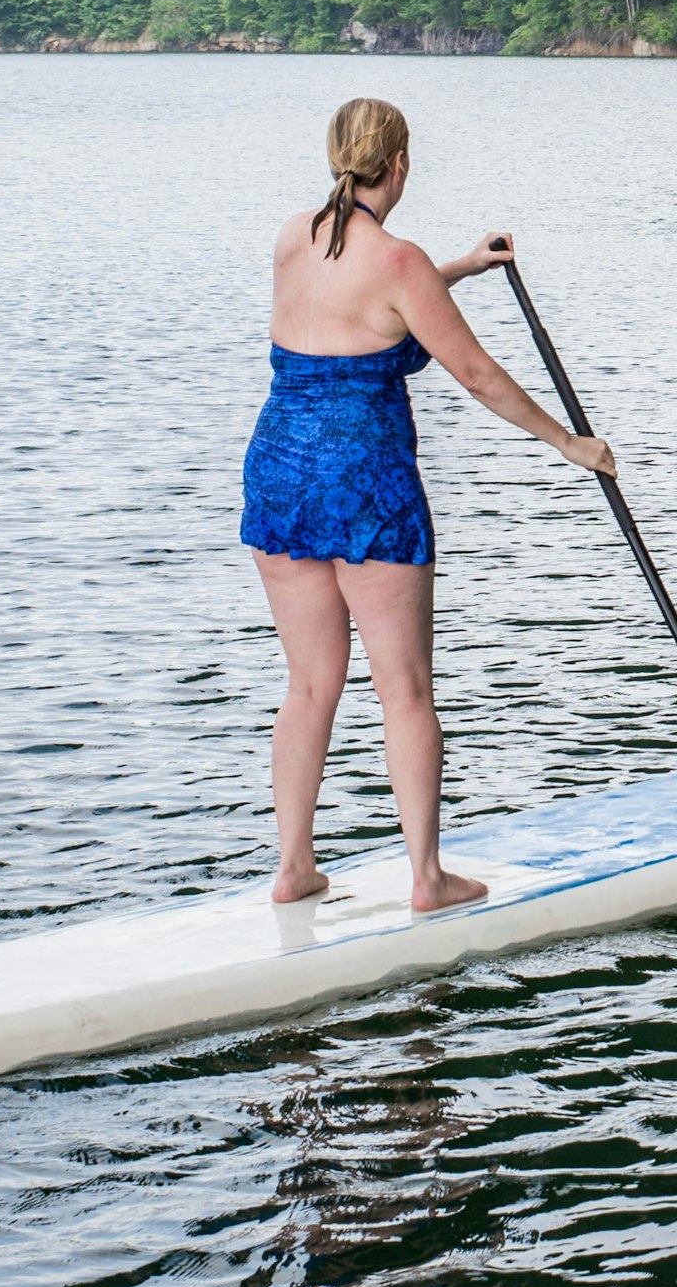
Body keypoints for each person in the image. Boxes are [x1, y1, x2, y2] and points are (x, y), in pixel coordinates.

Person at [241, 97, 613, 913]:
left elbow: (362, 310)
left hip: (279, 474)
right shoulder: (398, 263)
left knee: (309, 686)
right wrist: (569, 443)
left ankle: (294, 868)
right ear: (400, 164)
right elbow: (474, 373)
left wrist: (462, 266)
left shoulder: (294, 236)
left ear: (335, 155)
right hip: (366, 482)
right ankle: (427, 878)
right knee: (404, 691)